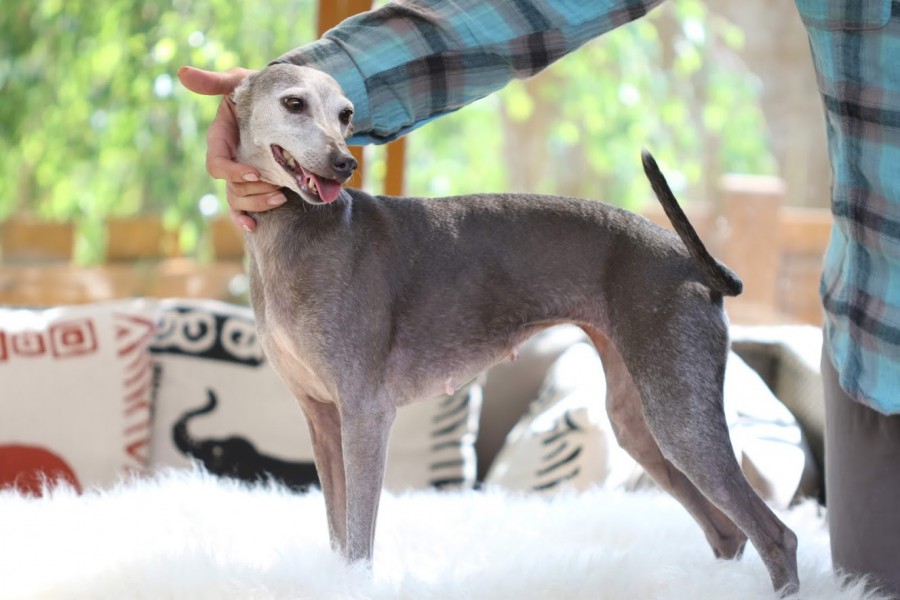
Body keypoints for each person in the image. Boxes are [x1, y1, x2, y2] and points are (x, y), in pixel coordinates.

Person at [178, 1, 900, 595]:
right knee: (636, 431)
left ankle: (775, 553)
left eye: (340, 120)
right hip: (871, 338)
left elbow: (364, 409)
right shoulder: (291, 263)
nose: (337, 147)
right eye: (295, 108)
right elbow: (520, 11)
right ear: (245, 112)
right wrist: (328, 66)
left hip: (649, 277)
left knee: (689, 448)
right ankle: (725, 545)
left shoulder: (350, 246)